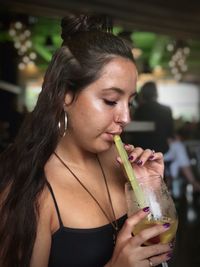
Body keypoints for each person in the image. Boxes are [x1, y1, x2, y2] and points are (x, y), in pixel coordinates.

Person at [0, 14, 173, 267]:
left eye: (130, 101)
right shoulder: (30, 193)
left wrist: (151, 190)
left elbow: (161, 255)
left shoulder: (123, 168)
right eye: (111, 101)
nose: (125, 117)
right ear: (65, 96)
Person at [133, 81, 174, 154]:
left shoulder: (139, 110)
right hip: (162, 149)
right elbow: (170, 134)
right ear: (156, 93)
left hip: (142, 150)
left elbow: (135, 132)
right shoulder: (167, 110)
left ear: (143, 93)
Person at [164, 129, 200, 199]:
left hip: (167, 172)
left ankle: (193, 183)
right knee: (179, 148)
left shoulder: (175, 146)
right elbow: (184, 163)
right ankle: (194, 183)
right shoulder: (177, 145)